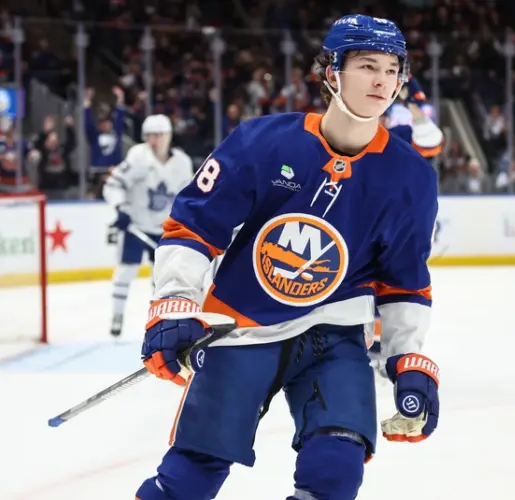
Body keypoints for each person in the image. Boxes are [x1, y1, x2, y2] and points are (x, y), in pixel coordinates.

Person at [136, 15, 441, 500]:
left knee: (336, 469)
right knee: (191, 478)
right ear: (332, 72)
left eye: (391, 69)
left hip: (334, 337)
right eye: (367, 66)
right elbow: (195, 225)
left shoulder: (410, 178)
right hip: (240, 327)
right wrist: (174, 302)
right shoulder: (263, 142)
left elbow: (404, 280)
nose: (382, 81)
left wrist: (408, 356)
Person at [103, 114, 194, 336]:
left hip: (166, 230)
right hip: (138, 226)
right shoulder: (137, 157)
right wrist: (120, 208)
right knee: (125, 272)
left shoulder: (182, 163)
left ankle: (159, 322)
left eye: (158, 135)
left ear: (168, 136)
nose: (154, 140)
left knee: (162, 280)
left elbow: (190, 195)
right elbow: (113, 185)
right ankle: (117, 316)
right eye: (150, 135)